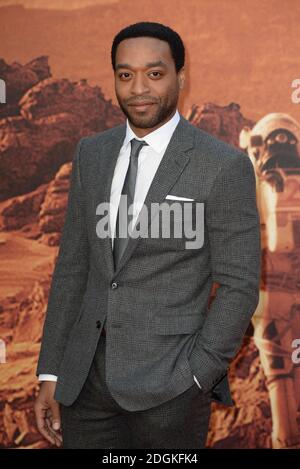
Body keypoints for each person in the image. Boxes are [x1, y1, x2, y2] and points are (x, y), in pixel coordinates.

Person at [34, 21, 261, 449]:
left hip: (171, 387)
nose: (139, 88)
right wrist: (52, 371)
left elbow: (240, 285)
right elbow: (73, 268)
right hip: (84, 387)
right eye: (125, 74)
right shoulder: (92, 153)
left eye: (154, 73)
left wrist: (198, 372)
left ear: (180, 76)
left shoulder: (222, 166)